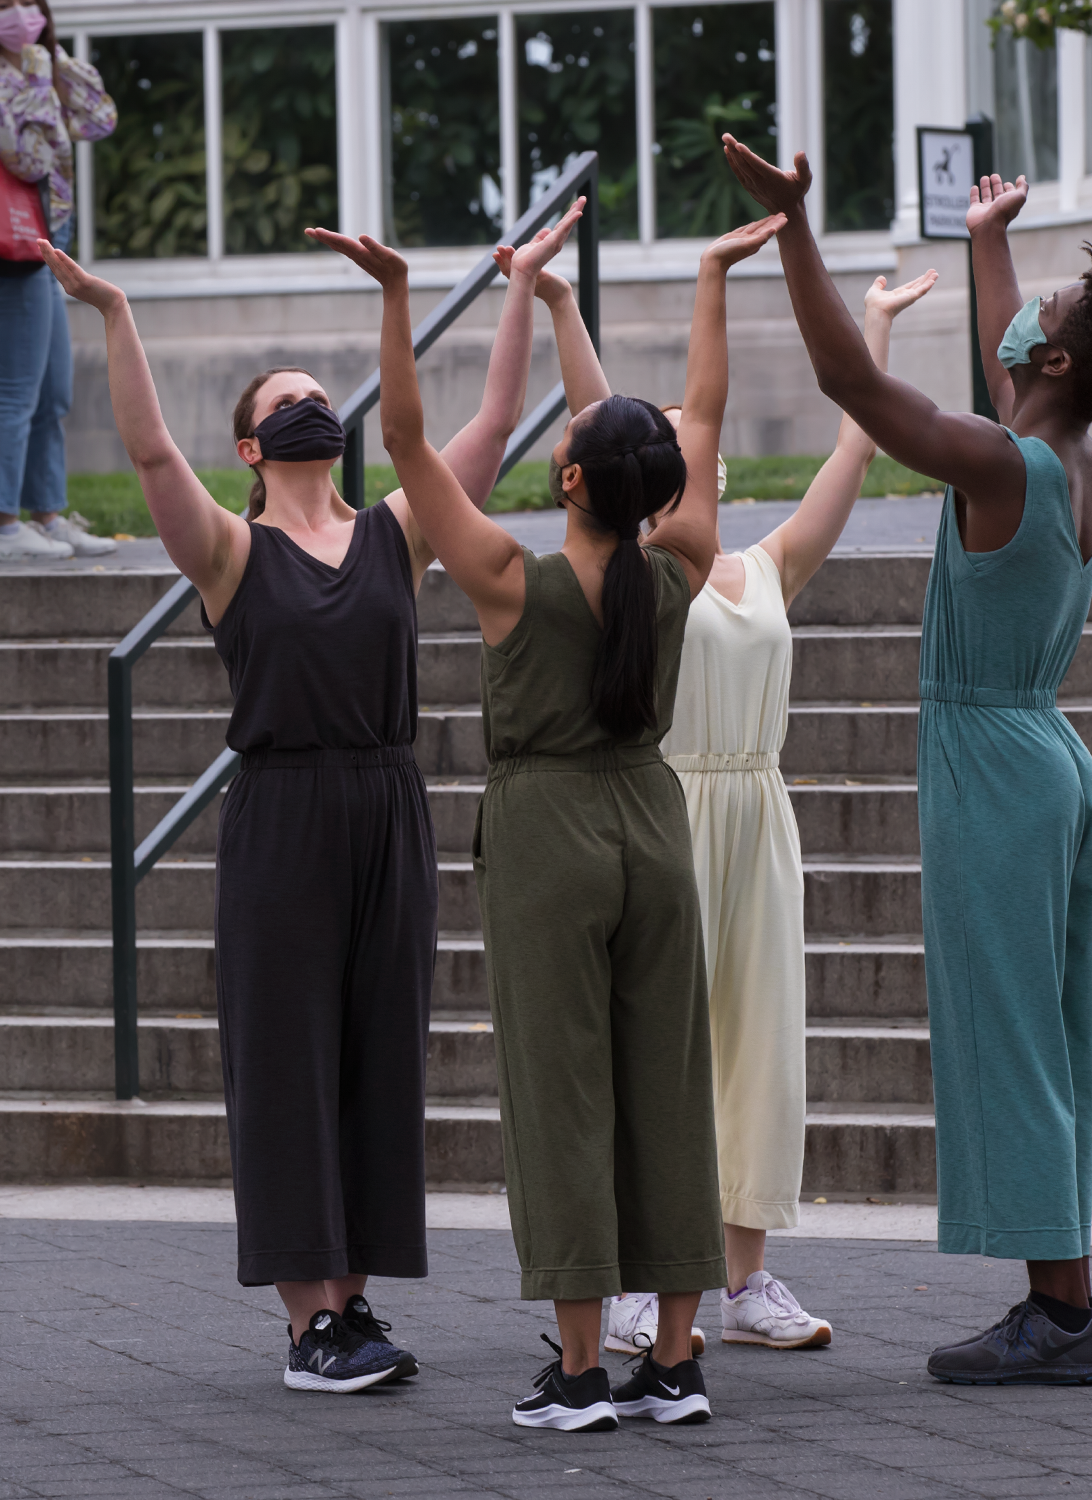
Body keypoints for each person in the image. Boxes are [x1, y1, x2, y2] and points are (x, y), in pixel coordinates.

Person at [36, 198, 584, 1392]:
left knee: (378, 1051)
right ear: (251, 449)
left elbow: (489, 423)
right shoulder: (233, 555)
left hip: (390, 804)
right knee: (285, 1055)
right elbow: (145, 456)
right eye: (281, 402)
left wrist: (507, 287)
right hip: (283, 813)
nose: (309, 408)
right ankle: (309, 1325)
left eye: (313, 394)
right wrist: (116, 312)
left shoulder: (401, 531)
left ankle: (358, 1301)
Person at [311, 208, 789, 1430]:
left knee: (562, 1095)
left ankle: (578, 1372)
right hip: (655, 824)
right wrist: (709, 274)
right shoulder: (681, 561)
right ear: (661, 489)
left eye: (572, 441)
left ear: (570, 478)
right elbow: (703, 414)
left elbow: (409, 437)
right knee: (670, 1091)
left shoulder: (509, 581)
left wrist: (400, 293)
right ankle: (674, 1362)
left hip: (548, 836)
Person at [722, 135, 1092, 1385]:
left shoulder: (1001, 459)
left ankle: (1063, 1317)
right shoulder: (1069, 462)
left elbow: (849, 380)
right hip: (1045, 756)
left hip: (995, 759)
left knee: (1014, 1037)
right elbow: (1013, 364)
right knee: (1049, 1035)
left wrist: (797, 228)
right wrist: (989, 240)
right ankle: (1063, 1301)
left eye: (1048, 305)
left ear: (1053, 357)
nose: (1030, 304)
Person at [596, 268, 936, 1359]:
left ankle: (743, 1278)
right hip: (671, 806)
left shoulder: (766, 564)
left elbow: (853, 452)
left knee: (761, 1052)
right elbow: (605, 424)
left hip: (760, 810)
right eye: (684, 444)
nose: (707, 453)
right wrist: (561, 311)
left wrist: (873, 328)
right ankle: (640, 1280)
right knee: (661, 1046)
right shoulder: (642, 572)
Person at [1, 1, 116, 558]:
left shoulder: (43, 71)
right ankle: (5, 524)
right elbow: (24, 158)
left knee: (54, 391)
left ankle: (46, 515)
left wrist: (54, 65)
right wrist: (32, 82)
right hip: (12, 250)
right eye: (5, 7)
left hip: (50, 245)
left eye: (30, 4)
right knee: (16, 392)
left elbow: (99, 120)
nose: (21, 17)